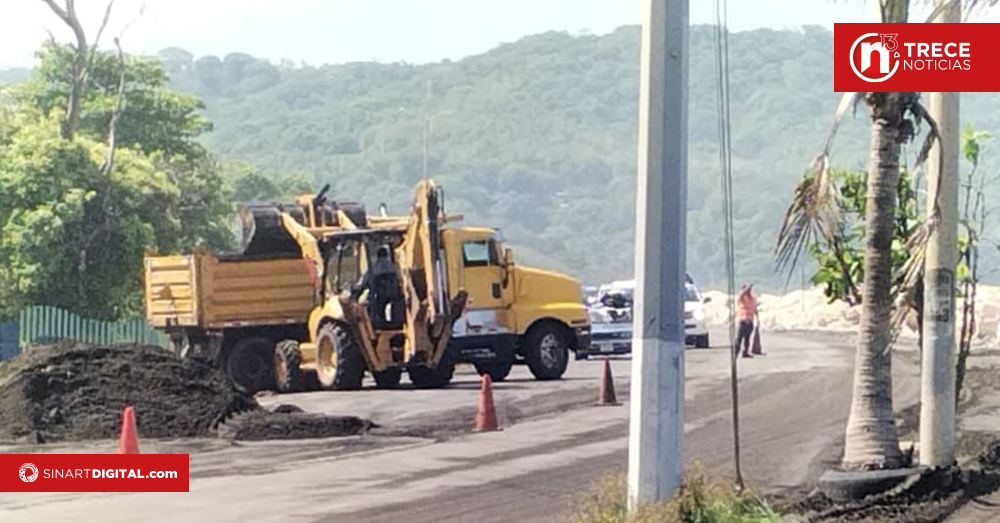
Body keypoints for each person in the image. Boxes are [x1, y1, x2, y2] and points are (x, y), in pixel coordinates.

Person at [736, 282, 758, 358]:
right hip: (743, 320)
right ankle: (736, 352)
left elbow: (755, 308)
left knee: (747, 338)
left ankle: (745, 352)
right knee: (739, 338)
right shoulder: (741, 297)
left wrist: (757, 318)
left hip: (750, 320)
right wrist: (747, 288)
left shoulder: (752, 298)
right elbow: (741, 294)